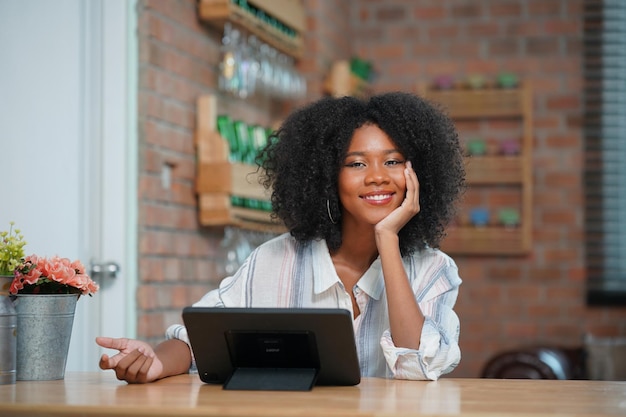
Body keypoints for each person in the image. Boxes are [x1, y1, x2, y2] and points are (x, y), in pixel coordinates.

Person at [96, 91, 466, 383]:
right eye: (356, 163)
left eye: (393, 161)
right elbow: (197, 340)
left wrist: (388, 240)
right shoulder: (275, 260)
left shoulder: (434, 270)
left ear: (417, 173)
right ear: (326, 176)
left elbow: (419, 367)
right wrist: (156, 362)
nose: (377, 176)